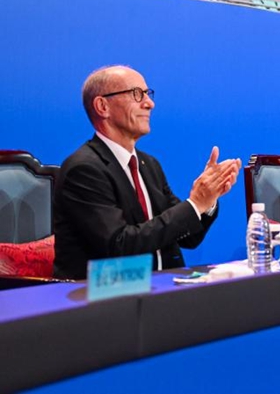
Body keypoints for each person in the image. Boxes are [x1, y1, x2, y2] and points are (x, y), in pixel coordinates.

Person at [53, 65, 241, 280]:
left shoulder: (148, 165)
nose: (149, 103)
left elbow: (187, 237)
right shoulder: (84, 170)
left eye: (148, 94)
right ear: (102, 106)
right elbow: (119, 245)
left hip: (161, 290)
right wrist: (195, 203)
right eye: (136, 94)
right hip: (103, 298)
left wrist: (208, 200)